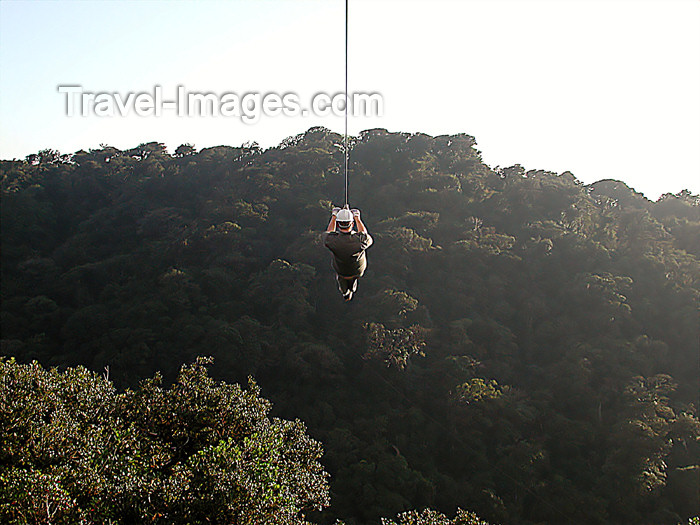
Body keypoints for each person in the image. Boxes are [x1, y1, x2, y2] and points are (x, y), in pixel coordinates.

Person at [322, 206, 373, 301]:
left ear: (338, 225)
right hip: (358, 270)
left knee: (342, 283)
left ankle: (346, 293)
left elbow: (328, 233)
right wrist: (357, 218)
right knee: (353, 278)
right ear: (352, 224)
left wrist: (334, 216)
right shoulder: (359, 241)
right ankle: (351, 289)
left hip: (342, 271)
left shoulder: (332, 241)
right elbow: (365, 234)